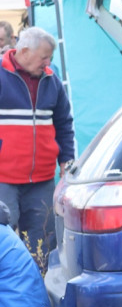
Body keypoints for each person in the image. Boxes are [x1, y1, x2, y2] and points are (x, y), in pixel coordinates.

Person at [0, 26, 76, 265]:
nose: (47, 63)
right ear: (24, 51)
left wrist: (67, 160)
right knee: (4, 238)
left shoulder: (52, 80)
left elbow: (64, 123)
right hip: (4, 177)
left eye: (50, 58)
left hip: (42, 180)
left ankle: (38, 291)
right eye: (44, 57)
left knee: (42, 240)